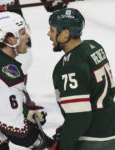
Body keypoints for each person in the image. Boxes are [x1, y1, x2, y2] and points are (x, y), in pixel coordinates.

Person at [0, 11, 53, 150]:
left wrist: (25, 112)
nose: (28, 37)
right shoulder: (8, 72)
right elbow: (14, 129)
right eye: (23, 33)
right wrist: (44, 144)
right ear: (11, 40)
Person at [46, 8, 115, 150]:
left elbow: (79, 116)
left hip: (93, 140)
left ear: (65, 33)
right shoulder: (94, 46)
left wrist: (64, 144)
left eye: (52, 30)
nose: (49, 34)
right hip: (111, 129)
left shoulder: (68, 67)